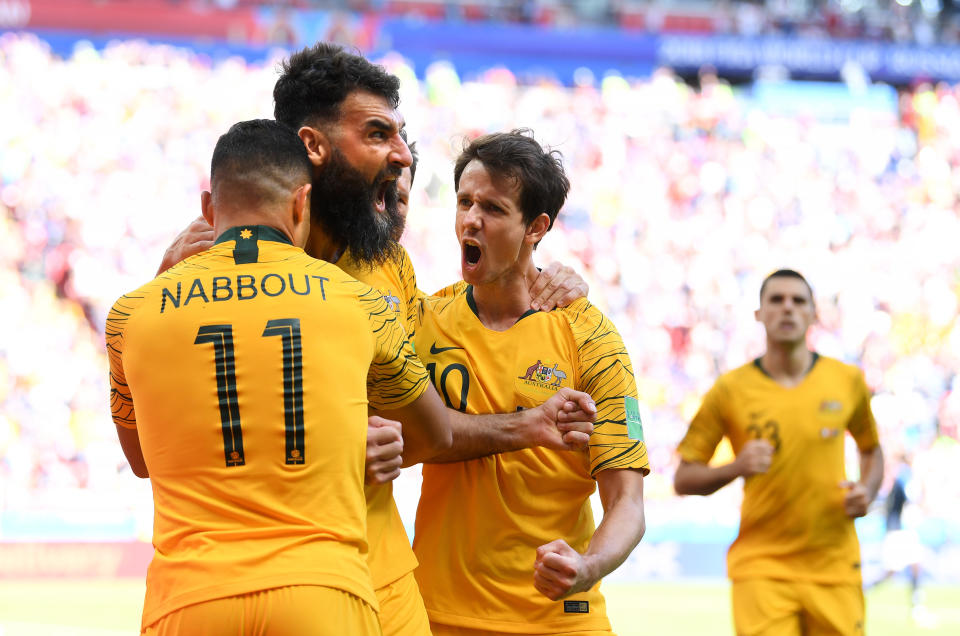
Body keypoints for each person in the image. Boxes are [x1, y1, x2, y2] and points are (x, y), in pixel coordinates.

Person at [156, 43, 597, 636]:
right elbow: (169, 439)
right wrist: (336, 445)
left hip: (384, 579)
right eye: (378, 134)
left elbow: (424, 426)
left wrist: (541, 274)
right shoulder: (209, 260)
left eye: (401, 135)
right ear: (314, 146)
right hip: (265, 582)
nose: (402, 154)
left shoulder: (387, 264)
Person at [106, 119, 452, 635]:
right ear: (301, 204)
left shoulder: (130, 315)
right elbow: (435, 433)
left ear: (208, 209)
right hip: (323, 591)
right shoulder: (359, 302)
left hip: (191, 598)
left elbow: (140, 461)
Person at [412, 130, 649, 635]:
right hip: (438, 614)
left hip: (561, 621)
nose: (470, 219)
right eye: (464, 202)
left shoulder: (591, 336)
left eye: (493, 209)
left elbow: (628, 502)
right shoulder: (424, 321)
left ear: (536, 226)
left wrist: (589, 567)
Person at [674, 269, 884, 636]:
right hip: (762, 567)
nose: (787, 308)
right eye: (776, 300)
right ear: (759, 313)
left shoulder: (846, 380)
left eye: (798, 300)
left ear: (814, 313)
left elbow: (871, 450)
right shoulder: (731, 389)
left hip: (834, 566)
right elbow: (683, 477)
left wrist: (868, 489)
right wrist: (735, 467)